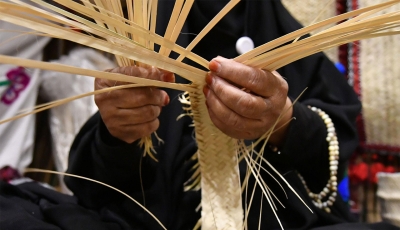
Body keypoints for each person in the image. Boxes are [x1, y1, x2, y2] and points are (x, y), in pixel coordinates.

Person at [1, 0, 398, 230]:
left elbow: (331, 150)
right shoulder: (143, 34)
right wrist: (118, 129)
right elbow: (98, 189)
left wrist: (282, 122)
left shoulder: (278, 29)